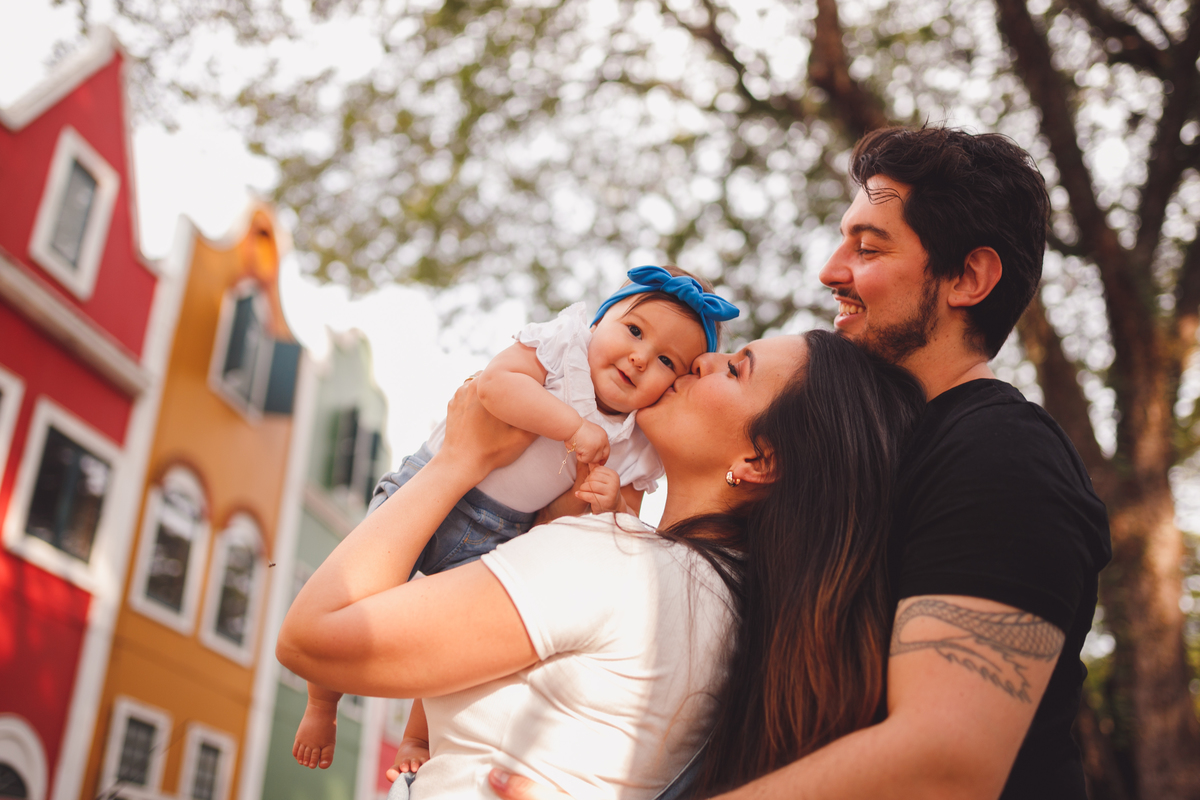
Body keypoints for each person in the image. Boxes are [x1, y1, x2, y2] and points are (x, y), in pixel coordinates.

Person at [487, 127, 1112, 799]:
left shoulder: (1002, 455)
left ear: (968, 278)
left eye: (868, 247)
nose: (830, 270)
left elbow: (945, 759)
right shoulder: (846, 463)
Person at [276, 328, 926, 800]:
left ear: (759, 461)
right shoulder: (734, 611)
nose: (704, 359)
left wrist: (459, 460)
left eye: (736, 369)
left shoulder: (620, 564)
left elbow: (312, 639)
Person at [292, 265, 739, 772]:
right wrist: (572, 426)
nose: (640, 357)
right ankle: (322, 703)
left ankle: (417, 738)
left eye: (665, 361)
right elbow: (495, 386)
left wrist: (611, 500)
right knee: (359, 592)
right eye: (634, 330)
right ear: (600, 320)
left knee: (449, 640)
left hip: (505, 532)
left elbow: (621, 531)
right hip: (429, 487)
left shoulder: (638, 442)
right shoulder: (563, 347)